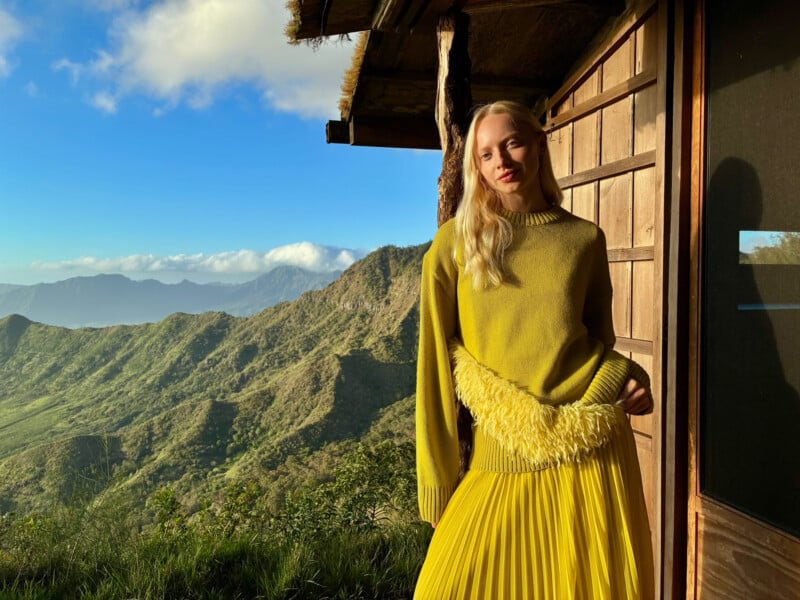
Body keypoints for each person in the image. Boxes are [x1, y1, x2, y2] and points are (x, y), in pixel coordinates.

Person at [414, 100, 654, 599]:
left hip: (590, 456)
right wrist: (437, 488)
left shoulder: (584, 238)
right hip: (498, 460)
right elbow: (433, 371)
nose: (501, 160)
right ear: (475, 167)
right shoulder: (455, 244)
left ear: (539, 144)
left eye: (512, 143)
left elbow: (596, 341)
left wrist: (629, 382)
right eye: (485, 154)